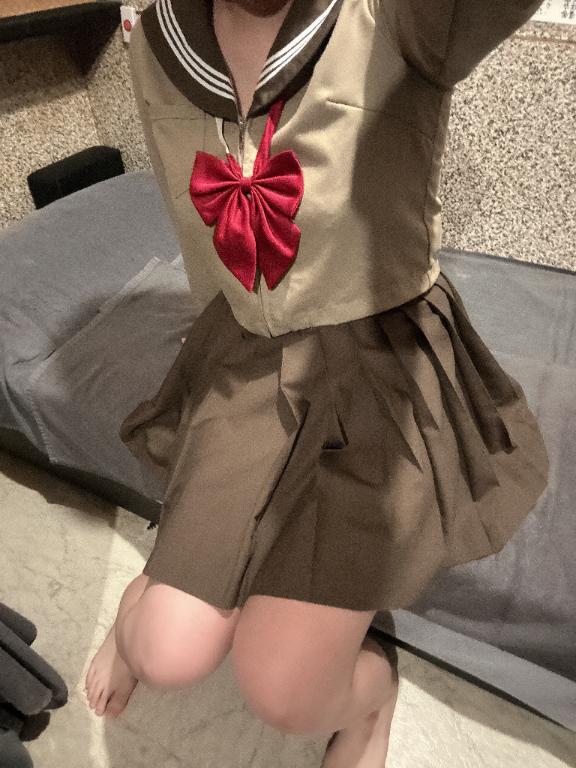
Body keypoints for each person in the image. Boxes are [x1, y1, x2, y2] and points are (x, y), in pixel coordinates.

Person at [85, 0, 549, 765]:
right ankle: (152, 590)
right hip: (246, 359)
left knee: (286, 693)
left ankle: (372, 701)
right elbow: (193, 226)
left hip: (381, 369)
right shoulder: (157, 37)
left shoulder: (399, 15)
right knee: (167, 650)